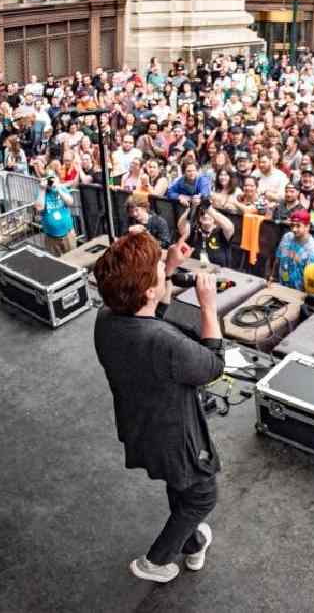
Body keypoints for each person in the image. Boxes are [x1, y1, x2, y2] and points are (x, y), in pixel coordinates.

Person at [92, 232, 225, 584]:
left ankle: (192, 544)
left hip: (141, 427)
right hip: (175, 438)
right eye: (156, 272)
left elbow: (148, 316)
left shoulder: (107, 318)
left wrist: (168, 266)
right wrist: (209, 306)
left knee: (180, 487)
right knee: (201, 496)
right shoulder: (165, 344)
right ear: (149, 291)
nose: (162, 273)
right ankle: (155, 562)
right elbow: (212, 365)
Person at [276, 209, 314, 290]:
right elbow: (279, 259)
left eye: (298, 226)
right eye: (292, 225)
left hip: (299, 293)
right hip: (282, 285)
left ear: (307, 226)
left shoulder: (313, 250)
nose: (294, 229)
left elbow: (312, 280)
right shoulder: (287, 237)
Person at [35, 177, 77, 256]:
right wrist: (42, 189)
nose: (50, 182)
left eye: (52, 179)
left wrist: (58, 189)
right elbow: (39, 208)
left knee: (73, 258)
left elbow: (70, 202)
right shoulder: (41, 192)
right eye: (48, 180)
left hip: (68, 234)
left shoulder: (62, 188)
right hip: (51, 237)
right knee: (56, 262)